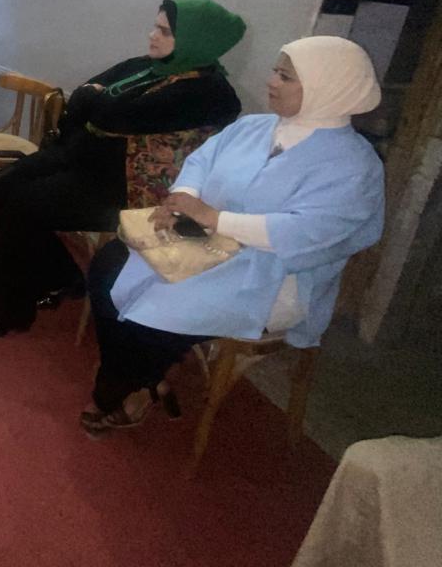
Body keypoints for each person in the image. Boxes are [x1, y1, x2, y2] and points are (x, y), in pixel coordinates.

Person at [80, 36, 384, 436]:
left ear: (330, 88)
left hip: (274, 273)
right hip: (204, 241)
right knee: (108, 268)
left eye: (285, 77)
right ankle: (143, 378)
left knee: (153, 316)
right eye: (275, 71)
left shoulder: (355, 165)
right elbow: (200, 162)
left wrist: (213, 217)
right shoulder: (254, 127)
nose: (271, 82)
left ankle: (116, 391)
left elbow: (308, 232)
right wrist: (183, 199)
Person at [0, 0, 246, 337]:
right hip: (83, 158)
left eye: (164, 31)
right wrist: (95, 102)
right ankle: (61, 276)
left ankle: (3, 309)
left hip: (126, 187)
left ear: (195, 41)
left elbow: (111, 114)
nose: (152, 36)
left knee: (24, 206)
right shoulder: (148, 66)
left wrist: (95, 101)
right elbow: (83, 98)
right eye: (155, 27)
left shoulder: (210, 92)